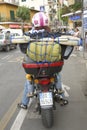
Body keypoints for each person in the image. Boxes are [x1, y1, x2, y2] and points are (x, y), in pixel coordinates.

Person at [18, 12, 68, 110]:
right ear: (47, 23)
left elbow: (23, 50)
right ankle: (61, 97)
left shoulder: (29, 35)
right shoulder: (53, 35)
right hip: (52, 67)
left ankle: (24, 103)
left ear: (34, 24)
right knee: (57, 75)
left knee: (29, 79)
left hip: (35, 69)